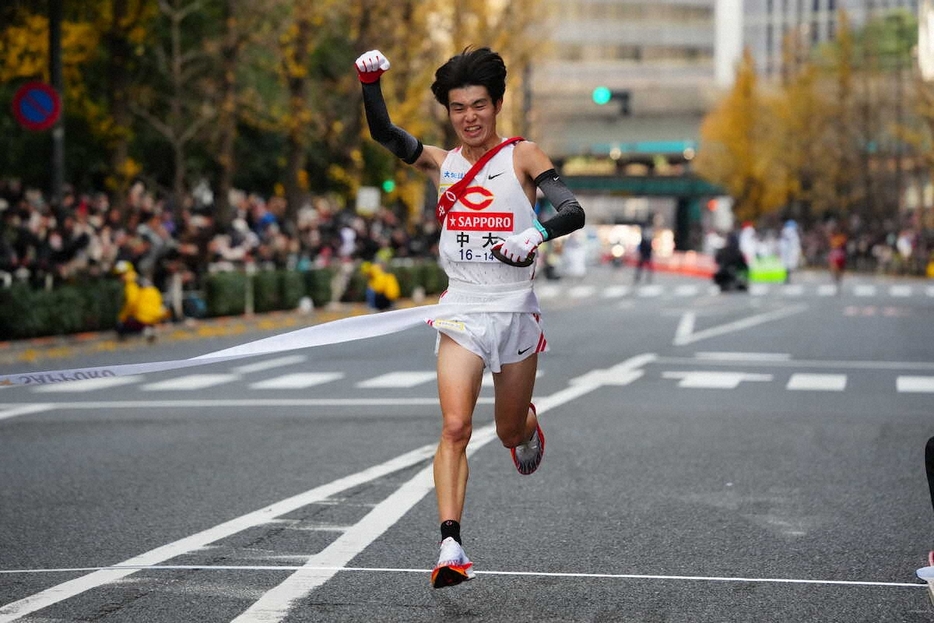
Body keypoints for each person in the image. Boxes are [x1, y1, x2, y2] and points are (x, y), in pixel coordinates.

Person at [355, 47, 585, 588]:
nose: (470, 117)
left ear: (497, 104)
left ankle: (527, 424)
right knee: (456, 426)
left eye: (479, 105)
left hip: (514, 311)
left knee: (505, 432)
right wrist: (371, 84)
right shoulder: (441, 161)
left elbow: (571, 209)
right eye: (459, 108)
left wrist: (535, 233)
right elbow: (386, 134)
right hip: (461, 308)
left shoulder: (523, 155)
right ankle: (451, 545)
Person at [114, 260, 170, 342]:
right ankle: (149, 328)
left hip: (143, 315)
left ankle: (145, 330)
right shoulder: (141, 279)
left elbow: (131, 302)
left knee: (121, 326)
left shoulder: (130, 283)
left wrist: (122, 317)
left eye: (119, 275)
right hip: (158, 312)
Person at [778, 219, 802, 284]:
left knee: (788, 266)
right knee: (789, 266)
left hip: (788, 252)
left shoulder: (785, 232)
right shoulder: (790, 231)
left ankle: (788, 278)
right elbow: (792, 242)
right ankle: (788, 278)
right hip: (789, 252)